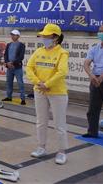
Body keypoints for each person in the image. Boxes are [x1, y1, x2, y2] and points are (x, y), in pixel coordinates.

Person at [26, 23, 69, 165]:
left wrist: (47, 84)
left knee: (59, 123)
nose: (44, 38)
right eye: (43, 36)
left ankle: (62, 152)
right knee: (41, 121)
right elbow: (29, 67)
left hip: (57, 93)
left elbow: (61, 72)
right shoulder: (39, 51)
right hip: (39, 91)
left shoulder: (62, 53)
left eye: (47, 36)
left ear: (55, 37)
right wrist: (38, 82)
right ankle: (41, 147)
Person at [82, 25, 103, 138]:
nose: (100, 33)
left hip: (102, 78)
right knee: (93, 108)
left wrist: (102, 77)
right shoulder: (95, 48)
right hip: (95, 80)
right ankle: (92, 132)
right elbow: (86, 63)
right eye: (100, 31)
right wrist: (91, 76)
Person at [2, 30, 26, 105]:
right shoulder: (9, 44)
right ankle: (9, 97)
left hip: (17, 68)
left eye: (14, 35)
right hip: (9, 68)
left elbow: (21, 57)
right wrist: (7, 62)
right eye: (12, 34)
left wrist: (12, 62)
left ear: (18, 36)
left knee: (20, 83)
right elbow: (5, 55)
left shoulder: (21, 45)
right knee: (9, 82)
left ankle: (23, 99)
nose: (12, 36)